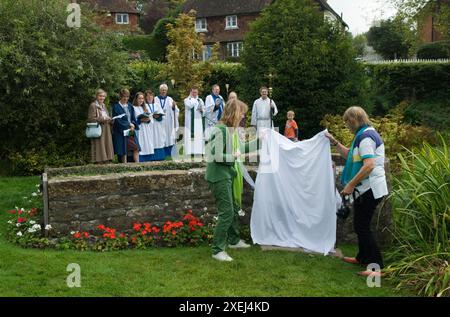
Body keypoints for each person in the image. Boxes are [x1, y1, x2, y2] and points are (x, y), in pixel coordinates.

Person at [325, 106, 388, 277]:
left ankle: (377, 268)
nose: (347, 126)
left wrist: (351, 184)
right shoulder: (363, 135)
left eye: (347, 122)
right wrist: (335, 142)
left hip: (370, 188)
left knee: (362, 226)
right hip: (367, 188)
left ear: (354, 120)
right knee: (360, 225)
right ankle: (362, 258)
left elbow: (369, 165)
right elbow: (349, 155)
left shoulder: (366, 138)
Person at [205, 99, 259, 262]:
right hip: (218, 177)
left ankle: (234, 241)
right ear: (234, 113)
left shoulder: (230, 131)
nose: (243, 116)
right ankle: (217, 250)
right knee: (227, 212)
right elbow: (216, 155)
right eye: (242, 112)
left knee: (233, 209)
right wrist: (233, 157)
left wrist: (262, 141)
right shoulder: (221, 129)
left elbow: (241, 149)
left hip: (226, 175)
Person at [112, 89, 140, 163]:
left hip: (130, 130)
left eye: (127, 97)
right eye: (124, 97)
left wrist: (133, 124)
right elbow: (117, 120)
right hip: (121, 131)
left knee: (136, 147)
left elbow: (133, 117)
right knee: (123, 150)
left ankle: (138, 165)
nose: (126, 99)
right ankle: (124, 166)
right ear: (120, 96)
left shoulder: (130, 106)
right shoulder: (116, 107)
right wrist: (128, 124)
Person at [87, 89, 114, 164]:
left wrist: (110, 120)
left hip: (106, 128)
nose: (102, 98)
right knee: (99, 145)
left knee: (106, 144)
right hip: (98, 128)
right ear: (96, 96)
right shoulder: (93, 105)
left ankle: (107, 160)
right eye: (100, 96)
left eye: (103, 96)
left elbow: (106, 116)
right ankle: (99, 162)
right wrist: (102, 118)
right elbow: (91, 119)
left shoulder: (104, 105)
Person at [154, 84, 179, 159]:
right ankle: (160, 153)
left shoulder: (170, 99)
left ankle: (169, 153)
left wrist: (174, 107)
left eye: (165, 90)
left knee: (169, 137)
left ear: (167, 91)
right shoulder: (155, 99)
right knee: (159, 136)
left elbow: (176, 110)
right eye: (162, 90)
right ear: (159, 90)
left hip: (168, 122)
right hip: (158, 122)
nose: (163, 91)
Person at [144, 90, 166, 161]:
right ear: (145, 97)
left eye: (151, 96)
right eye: (148, 96)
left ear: (153, 97)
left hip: (158, 126)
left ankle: (160, 157)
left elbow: (163, 116)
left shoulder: (157, 105)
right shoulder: (144, 106)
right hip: (149, 126)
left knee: (158, 140)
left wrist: (158, 116)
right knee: (150, 140)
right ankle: (151, 157)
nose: (150, 97)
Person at [184, 87, 205, 157]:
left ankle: (198, 151)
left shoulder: (200, 100)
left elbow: (204, 111)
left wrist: (202, 110)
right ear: (190, 92)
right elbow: (190, 105)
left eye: (196, 92)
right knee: (189, 136)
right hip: (190, 122)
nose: (194, 94)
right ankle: (189, 152)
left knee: (198, 136)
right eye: (193, 92)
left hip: (198, 122)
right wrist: (194, 99)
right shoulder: (186, 100)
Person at [133, 92, 154, 162]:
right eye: (139, 98)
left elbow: (149, 119)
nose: (141, 100)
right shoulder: (133, 108)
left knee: (147, 143)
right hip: (139, 129)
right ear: (136, 99)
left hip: (146, 128)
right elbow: (133, 120)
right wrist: (140, 120)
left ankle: (148, 159)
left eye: (142, 98)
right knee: (141, 143)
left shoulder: (144, 108)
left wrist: (148, 119)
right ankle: (140, 160)